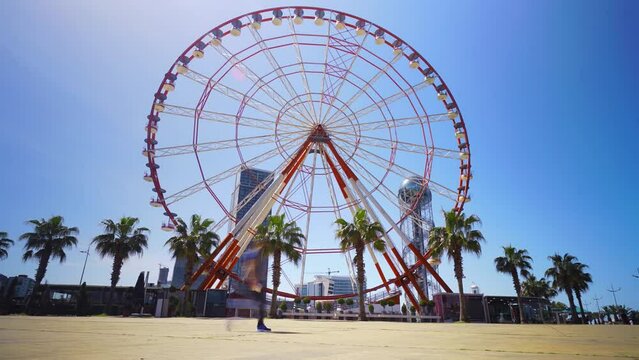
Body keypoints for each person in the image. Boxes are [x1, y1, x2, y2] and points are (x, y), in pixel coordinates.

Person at [241, 246, 271, 332]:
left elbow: (248, 269)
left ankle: (260, 325)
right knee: (261, 305)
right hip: (253, 284)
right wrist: (254, 282)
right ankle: (260, 326)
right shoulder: (253, 257)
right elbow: (251, 268)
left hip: (252, 283)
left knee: (260, 304)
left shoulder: (250, 255)